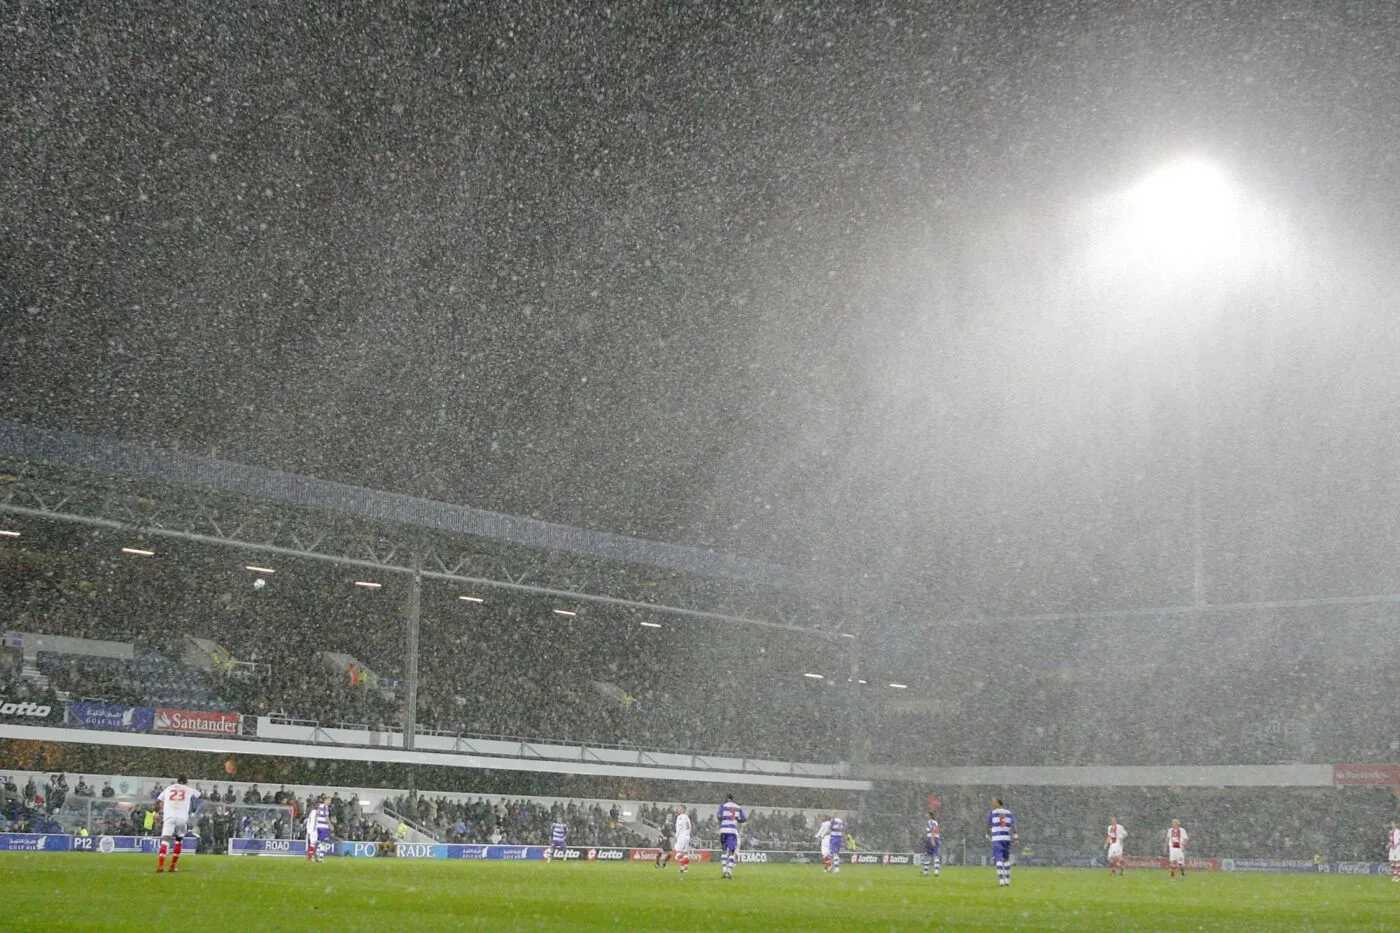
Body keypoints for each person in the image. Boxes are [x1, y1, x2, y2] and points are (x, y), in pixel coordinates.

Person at [155, 775, 201, 873]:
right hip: (182, 818)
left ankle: (161, 865)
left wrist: (157, 813)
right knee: (179, 840)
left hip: (169, 817)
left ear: (177, 781)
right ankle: (172, 866)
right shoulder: (188, 789)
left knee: (165, 841)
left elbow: (158, 800)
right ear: (186, 781)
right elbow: (200, 796)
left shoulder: (169, 788)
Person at [986, 798, 1017, 887]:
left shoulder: (992, 813)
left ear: (998, 803)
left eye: (993, 802)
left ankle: (1001, 880)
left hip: (997, 838)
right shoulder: (1008, 813)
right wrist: (1015, 836)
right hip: (1006, 839)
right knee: (1006, 859)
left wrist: (987, 835)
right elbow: (1014, 825)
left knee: (998, 859)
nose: (992, 804)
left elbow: (988, 826)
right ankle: (1007, 880)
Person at [716, 794, 747, 879]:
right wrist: (736, 819)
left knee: (724, 851)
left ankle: (724, 870)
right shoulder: (738, 807)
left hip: (723, 831)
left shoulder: (723, 806)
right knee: (732, 852)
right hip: (732, 831)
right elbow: (744, 819)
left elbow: (718, 816)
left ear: (727, 799)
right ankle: (729, 872)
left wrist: (724, 819)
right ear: (732, 799)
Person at [305, 794, 331, 862]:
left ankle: (311, 857)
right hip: (316, 828)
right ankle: (317, 856)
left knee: (313, 843)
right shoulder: (318, 811)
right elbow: (316, 820)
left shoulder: (312, 811)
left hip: (311, 829)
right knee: (321, 842)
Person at [673, 805, 692, 875]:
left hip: (682, 836)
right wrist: (687, 834)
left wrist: (676, 836)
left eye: (680, 808)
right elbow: (690, 827)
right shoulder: (687, 817)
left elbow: (679, 827)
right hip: (687, 836)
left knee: (677, 852)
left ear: (683, 809)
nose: (678, 809)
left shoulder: (680, 817)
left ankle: (683, 865)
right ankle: (685, 868)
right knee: (685, 853)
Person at [922, 812, 942, 878]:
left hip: (930, 839)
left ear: (930, 816)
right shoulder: (936, 822)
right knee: (935, 855)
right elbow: (937, 830)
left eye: (927, 814)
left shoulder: (929, 822)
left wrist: (932, 839)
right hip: (937, 838)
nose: (925, 815)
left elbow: (932, 831)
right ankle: (936, 872)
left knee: (928, 855)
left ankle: (926, 872)